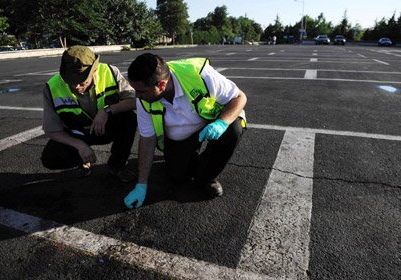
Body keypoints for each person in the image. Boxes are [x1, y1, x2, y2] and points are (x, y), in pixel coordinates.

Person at [124, 53, 247, 209]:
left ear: (161, 85)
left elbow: (239, 97)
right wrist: (141, 184)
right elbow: (147, 139)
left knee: (232, 131)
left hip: (210, 122)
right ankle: (192, 158)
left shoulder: (199, 74)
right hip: (180, 137)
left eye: (141, 91)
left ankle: (207, 177)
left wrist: (222, 123)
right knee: (177, 176)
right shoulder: (144, 100)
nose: (137, 96)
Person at [41, 45, 137, 182]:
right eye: (71, 81)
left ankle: (117, 165)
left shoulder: (110, 72)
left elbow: (134, 101)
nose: (76, 87)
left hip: (105, 128)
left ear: (95, 70)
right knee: (51, 158)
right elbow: (51, 130)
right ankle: (82, 160)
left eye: (81, 82)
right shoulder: (51, 87)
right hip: (77, 133)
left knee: (129, 119)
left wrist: (107, 110)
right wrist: (79, 145)